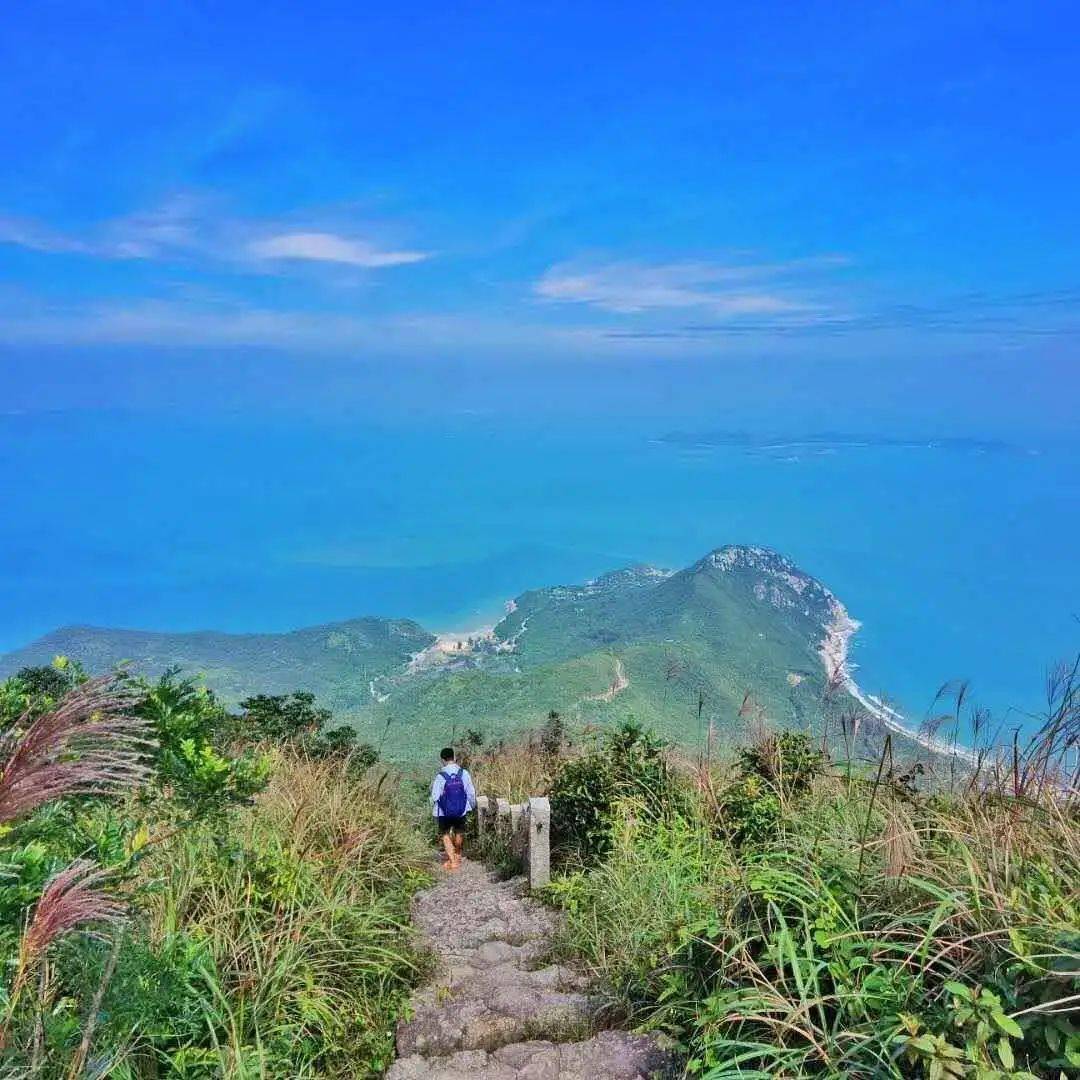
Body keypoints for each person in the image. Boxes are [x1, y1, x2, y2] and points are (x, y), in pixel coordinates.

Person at [430, 746, 476, 871]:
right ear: (454, 757)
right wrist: (472, 805)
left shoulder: (441, 776)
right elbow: (471, 793)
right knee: (459, 831)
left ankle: (452, 860)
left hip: (443, 811)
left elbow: (434, 796)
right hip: (461, 809)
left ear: (442, 760)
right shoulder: (464, 773)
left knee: (445, 834)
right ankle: (457, 853)